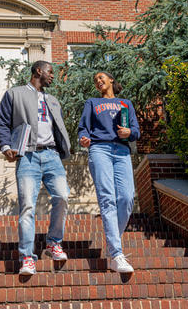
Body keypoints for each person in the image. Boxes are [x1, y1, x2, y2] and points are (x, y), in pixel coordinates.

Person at [0, 60, 71, 275]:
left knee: (62, 197)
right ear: (38, 71)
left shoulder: (53, 100)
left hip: (51, 155)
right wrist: (5, 145)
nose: (53, 76)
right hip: (27, 156)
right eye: (50, 72)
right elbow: (2, 121)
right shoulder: (15, 93)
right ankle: (27, 257)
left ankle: (53, 243)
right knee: (28, 206)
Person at [78, 71, 140, 273]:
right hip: (100, 149)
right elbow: (83, 129)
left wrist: (129, 132)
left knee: (127, 197)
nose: (98, 80)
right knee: (107, 198)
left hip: (122, 150)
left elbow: (136, 131)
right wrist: (84, 139)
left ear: (111, 79)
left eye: (101, 77)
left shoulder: (125, 103)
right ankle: (116, 254)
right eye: (95, 79)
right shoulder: (92, 103)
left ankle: (114, 240)